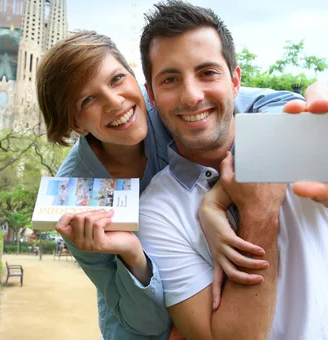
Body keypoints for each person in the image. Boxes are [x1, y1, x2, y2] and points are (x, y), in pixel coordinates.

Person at [136, 0, 328, 339]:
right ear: (153, 96)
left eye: (207, 73)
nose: (191, 96)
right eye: (170, 79)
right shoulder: (157, 209)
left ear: (235, 81)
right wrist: (258, 209)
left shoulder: (297, 139)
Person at [36, 31, 303, 339]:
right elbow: (143, 324)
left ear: (136, 77)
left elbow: (286, 106)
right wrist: (133, 256)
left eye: (117, 79)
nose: (115, 103)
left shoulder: (172, 111)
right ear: (76, 124)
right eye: (88, 99)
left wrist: (215, 200)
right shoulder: (72, 193)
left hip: (214, 301)